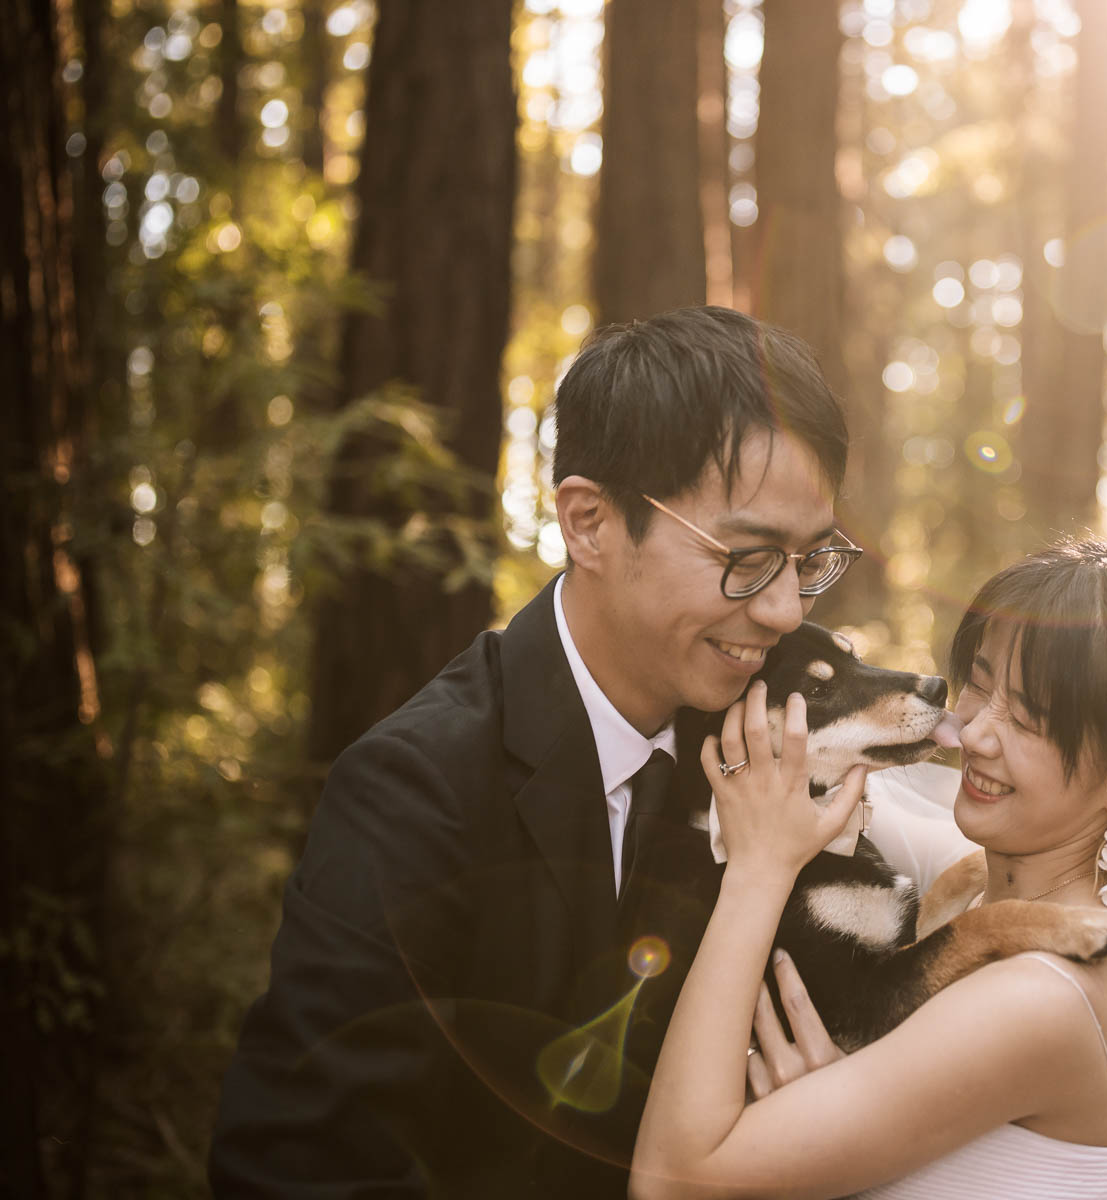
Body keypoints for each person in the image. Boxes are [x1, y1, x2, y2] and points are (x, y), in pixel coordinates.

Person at [210, 306, 862, 1198]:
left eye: (810, 559)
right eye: (746, 557)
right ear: (590, 523)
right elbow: (299, 1166)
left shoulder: (766, 720)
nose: (787, 609)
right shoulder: (415, 787)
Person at [629, 540, 1107, 1199]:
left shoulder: (1043, 995)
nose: (973, 731)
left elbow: (670, 1179)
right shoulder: (985, 895)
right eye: (980, 683)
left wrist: (758, 870)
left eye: (1031, 718)